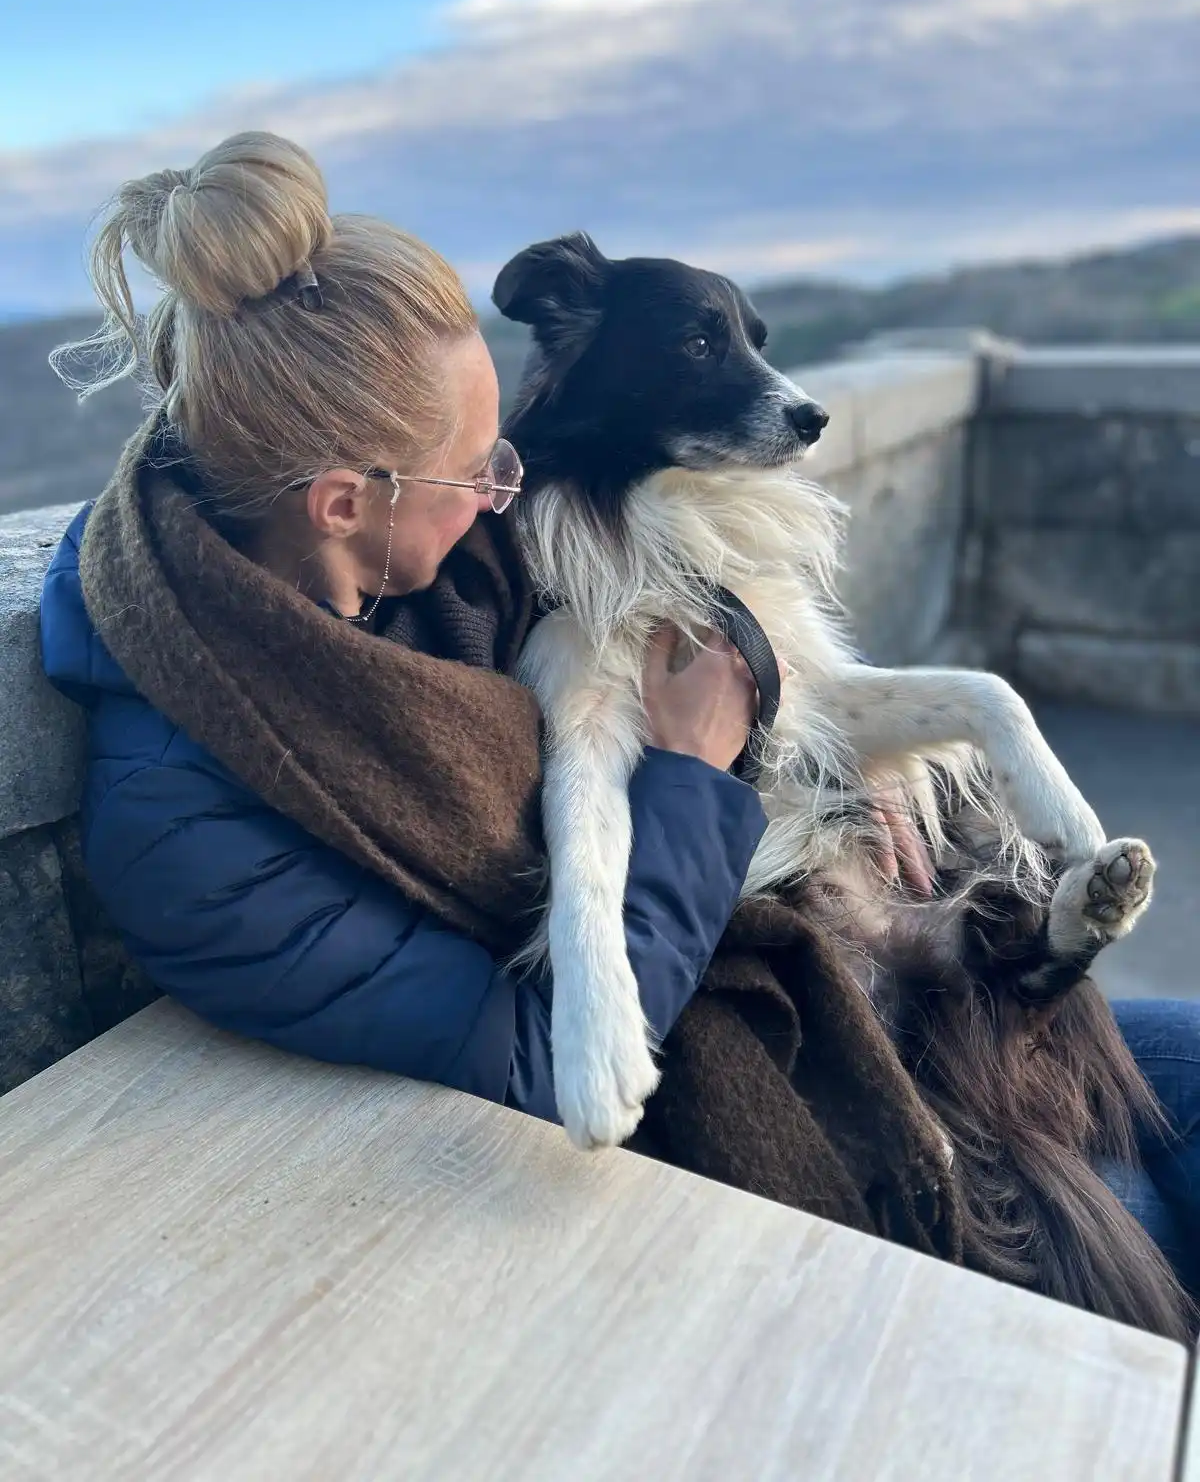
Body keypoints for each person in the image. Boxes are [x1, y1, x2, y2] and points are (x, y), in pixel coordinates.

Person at [39, 131, 1197, 1300]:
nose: (507, 489)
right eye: (477, 471)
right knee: (1132, 1265)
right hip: (755, 1089)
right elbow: (556, 1066)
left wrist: (817, 731)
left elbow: (656, 573)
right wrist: (696, 769)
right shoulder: (191, 847)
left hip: (846, 972)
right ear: (345, 502)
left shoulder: (417, 557)